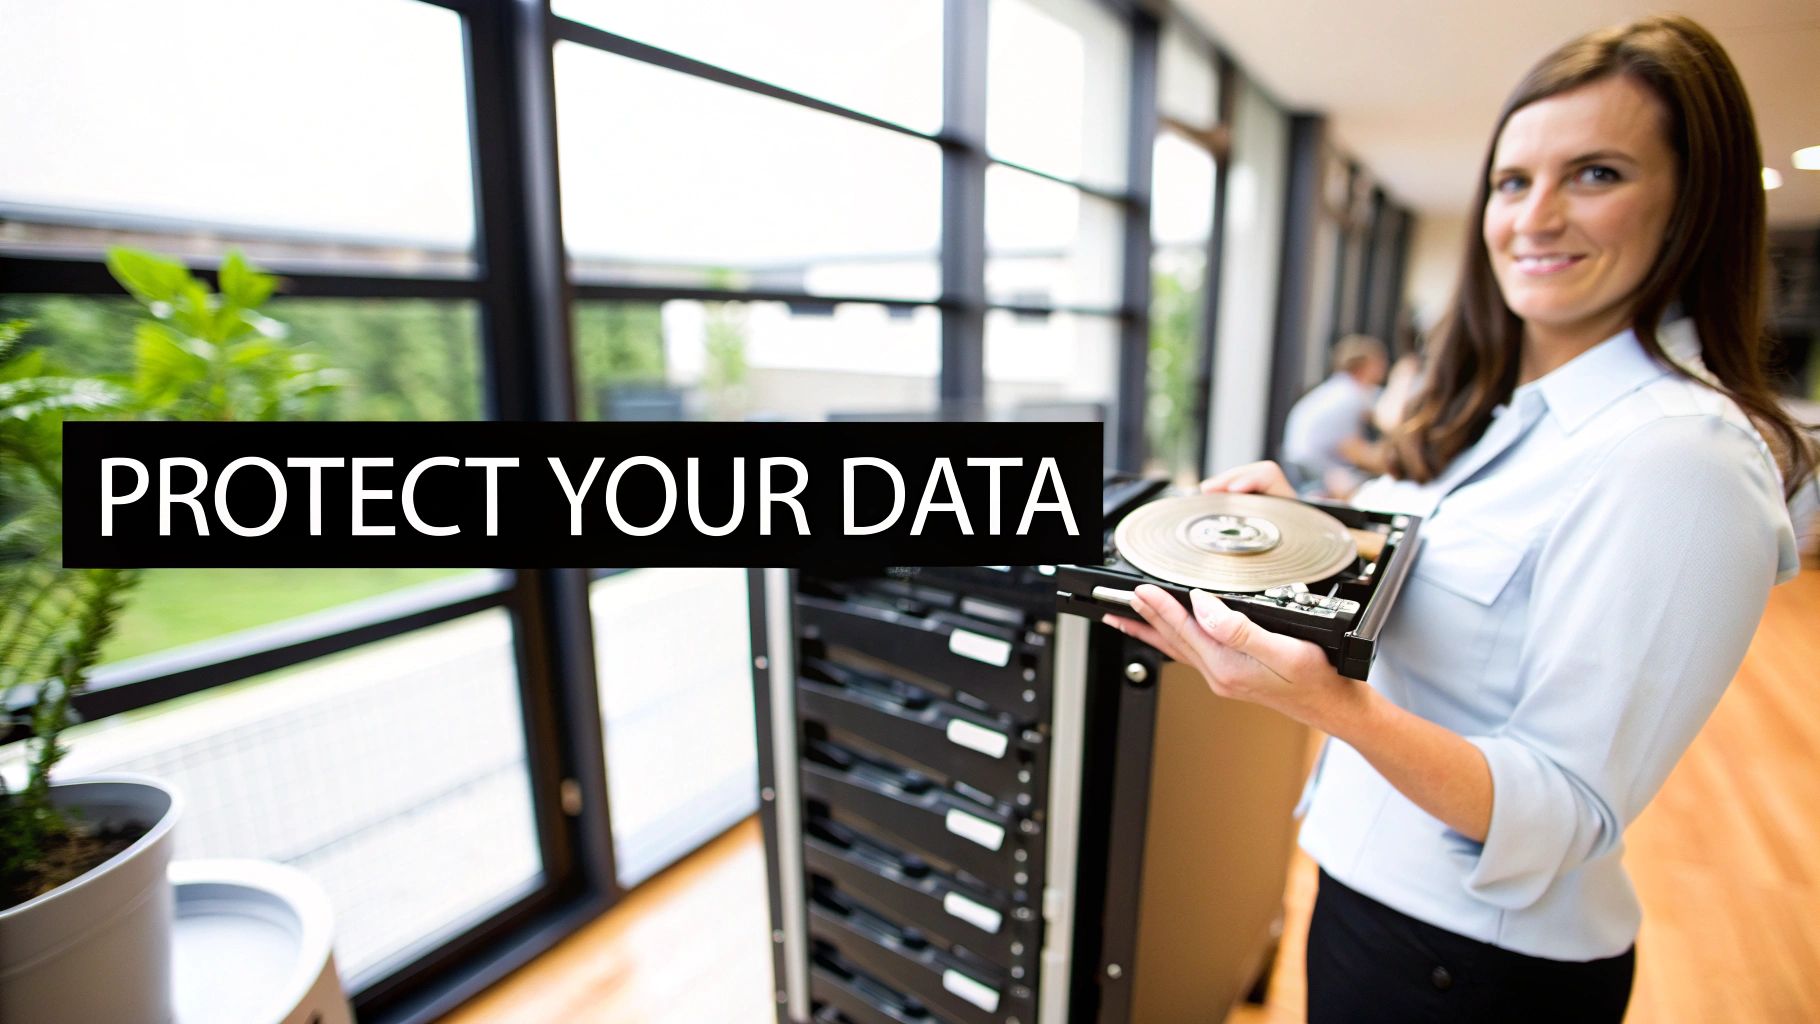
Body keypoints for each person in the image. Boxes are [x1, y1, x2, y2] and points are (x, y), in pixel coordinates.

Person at [1105, 14, 1811, 1023]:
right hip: (1376, 899)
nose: (1535, 217)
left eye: (1596, 174)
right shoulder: (1523, 412)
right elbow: (1445, 563)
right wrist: (1313, 527)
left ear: (1691, 205)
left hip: (1468, 966)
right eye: (1512, 181)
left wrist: (1326, 705)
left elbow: (1564, 811)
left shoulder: (1680, 460)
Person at [1280, 335, 1389, 499]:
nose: (1385, 369)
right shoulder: (1349, 397)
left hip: (1301, 466)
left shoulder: (1337, 390)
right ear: (1365, 366)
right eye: (1379, 363)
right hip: (1313, 473)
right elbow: (1355, 451)